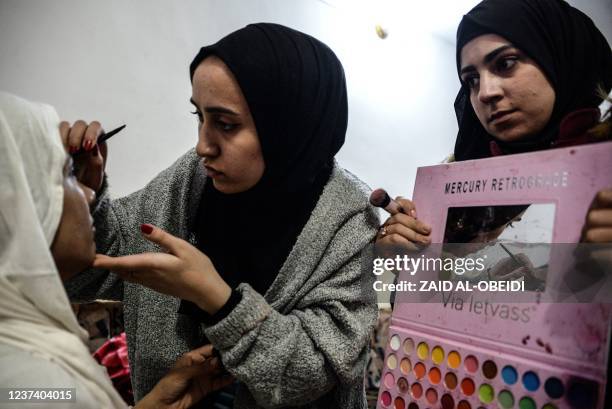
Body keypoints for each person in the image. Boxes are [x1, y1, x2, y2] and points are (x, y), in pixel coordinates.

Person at [63, 23, 379, 408]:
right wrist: (82, 200)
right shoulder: (190, 182)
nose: (202, 147)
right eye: (199, 116)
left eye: (226, 124)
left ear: (287, 127)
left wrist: (217, 298)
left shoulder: (349, 224)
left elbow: (310, 374)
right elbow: (91, 271)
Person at [0, 92, 233, 409]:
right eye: (68, 173)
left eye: (226, 123)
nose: (89, 195)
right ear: (19, 210)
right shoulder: (38, 382)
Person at [377, 0, 612, 248]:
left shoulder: (604, 167)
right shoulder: (458, 185)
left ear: (560, 56)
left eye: (505, 63)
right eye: (472, 80)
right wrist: (400, 250)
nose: (484, 93)